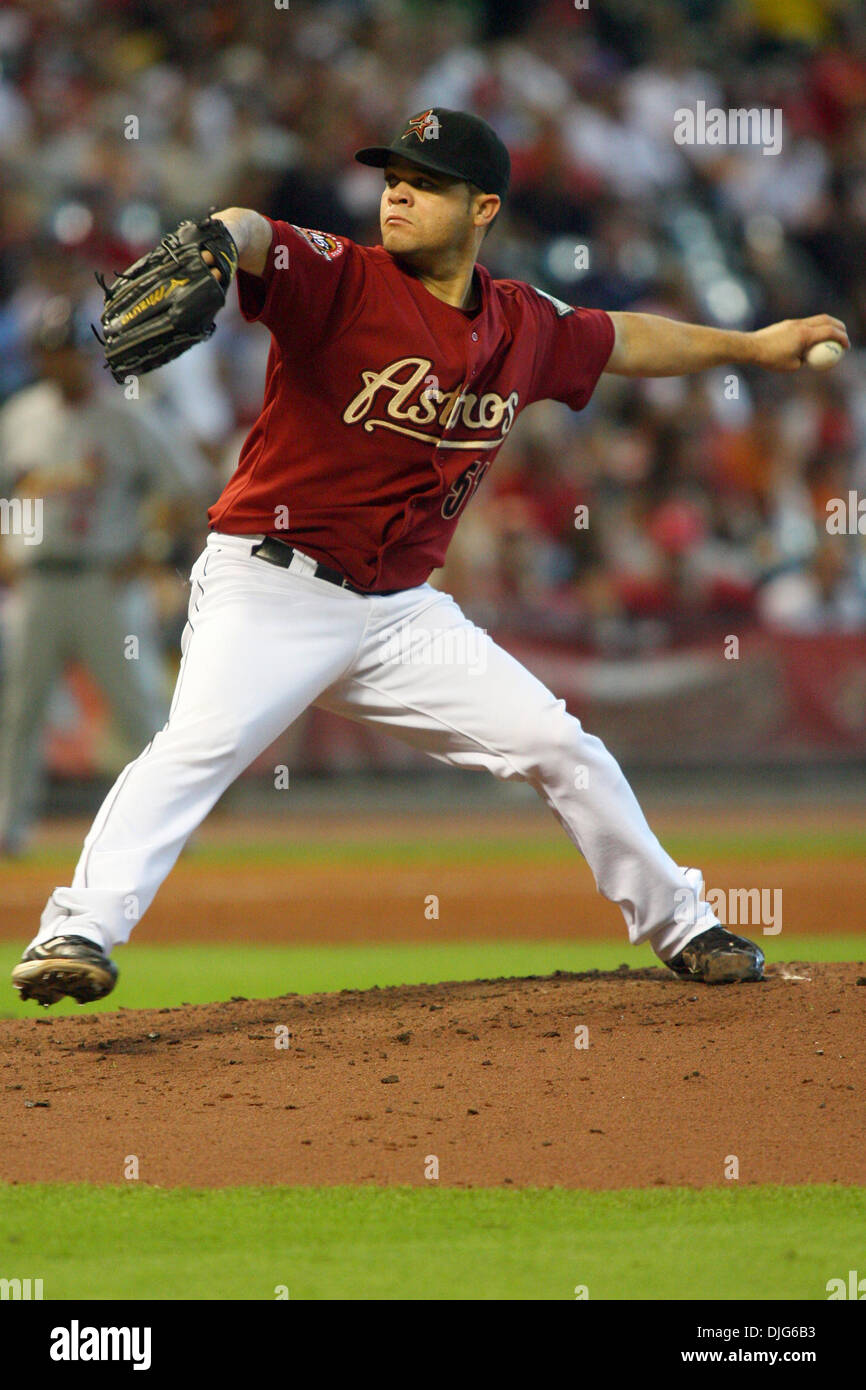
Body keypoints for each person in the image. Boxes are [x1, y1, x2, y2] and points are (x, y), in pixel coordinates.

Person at [11, 108, 849, 1006]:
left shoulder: (524, 324)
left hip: (403, 611)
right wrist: (217, 237)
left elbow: (626, 339)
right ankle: (77, 929)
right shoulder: (343, 279)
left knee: (560, 746)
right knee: (197, 747)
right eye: (391, 177)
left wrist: (755, 345)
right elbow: (259, 236)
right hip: (271, 584)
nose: (398, 192)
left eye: (426, 181)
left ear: (483, 206)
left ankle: (685, 927)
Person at [0, 296, 208, 856]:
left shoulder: (128, 414)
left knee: (138, 706)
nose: (59, 362)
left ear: (88, 356)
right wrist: (7, 544)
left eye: (67, 351)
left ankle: (169, 828)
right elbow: (9, 492)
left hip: (104, 582)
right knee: (20, 710)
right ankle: (8, 828)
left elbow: (183, 489)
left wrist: (151, 550)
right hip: (39, 581)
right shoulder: (22, 415)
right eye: (50, 352)